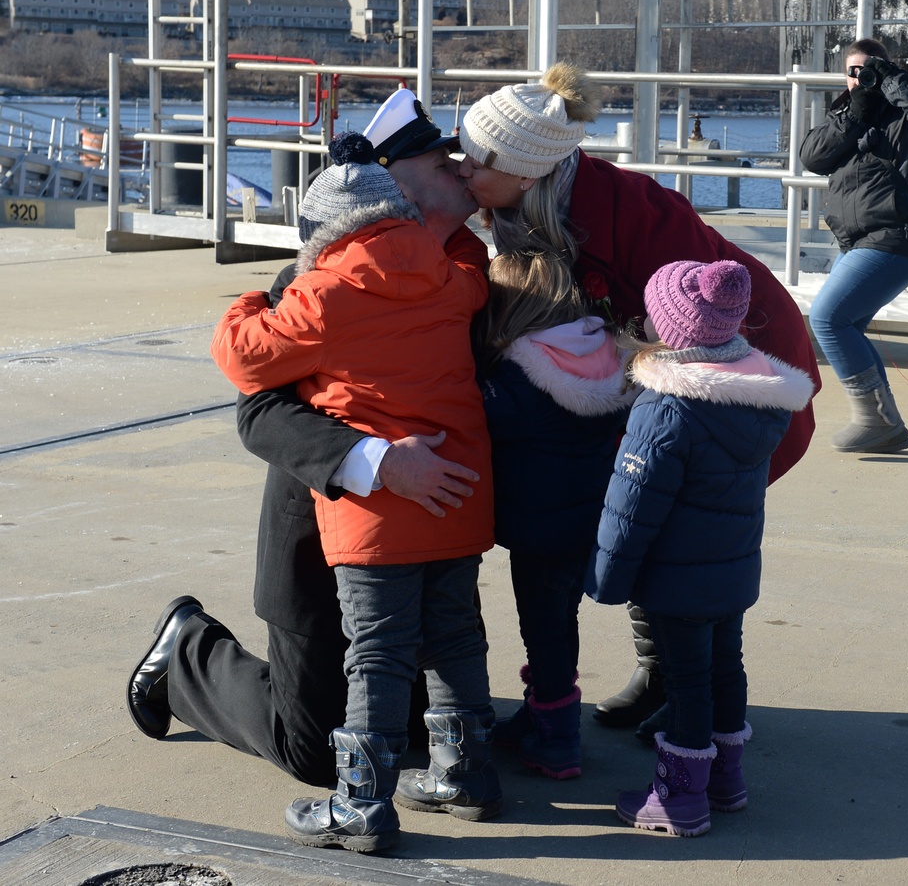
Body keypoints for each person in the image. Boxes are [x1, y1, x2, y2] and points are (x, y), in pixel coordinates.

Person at [126, 90, 489, 801]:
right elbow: (258, 412)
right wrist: (382, 463)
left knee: (409, 722)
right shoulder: (319, 278)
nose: (461, 167)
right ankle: (189, 654)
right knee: (313, 752)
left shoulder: (469, 271)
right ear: (393, 179)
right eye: (440, 158)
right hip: (326, 549)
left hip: (432, 537)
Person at [457, 61, 822, 736]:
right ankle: (674, 683)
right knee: (663, 519)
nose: (461, 169)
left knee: (690, 535)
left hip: (732, 368)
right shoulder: (529, 204)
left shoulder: (629, 214)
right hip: (658, 370)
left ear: (526, 171)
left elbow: (706, 316)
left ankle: (688, 697)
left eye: (475, 160)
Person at [209, 131, 501, 853]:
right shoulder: (447, 272)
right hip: (460, 499)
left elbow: (242, 357)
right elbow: (473, 271)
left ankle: (361, 803)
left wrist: (248, 299)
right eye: (442, 167)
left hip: (378, 525)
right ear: (402, 197)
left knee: (375, 654)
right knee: (455, 636)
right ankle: (464, 772)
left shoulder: (322, 293)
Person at [586, 259, 815, 836]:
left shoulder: (666, 408)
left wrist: (606, 579)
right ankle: (725, 780)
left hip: (674, 577)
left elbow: (631, 505)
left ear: (668, 329)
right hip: (732, 569)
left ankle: (680, 799)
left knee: (687, 681)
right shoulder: (760, 398)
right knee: (724, 668)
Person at [476, 250, 636, 779]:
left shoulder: (519, 379)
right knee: (558, 624)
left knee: (545, 631)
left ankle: (557, 737)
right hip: (590, 519)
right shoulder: (601, 354)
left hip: (540, 531)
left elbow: (476, 417)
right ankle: (541, 712)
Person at [799, 38, 908, 453]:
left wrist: (894, 84)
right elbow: (813, 157)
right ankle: (885, 423)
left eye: (870, 69)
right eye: (854, 72)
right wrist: (856, 113)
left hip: (900, 236)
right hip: (859, 241)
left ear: (889, 66)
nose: (862, 78)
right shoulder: (847, 111)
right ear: (845, 75)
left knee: (828, 319)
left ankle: (874, 419)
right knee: (846, 324)